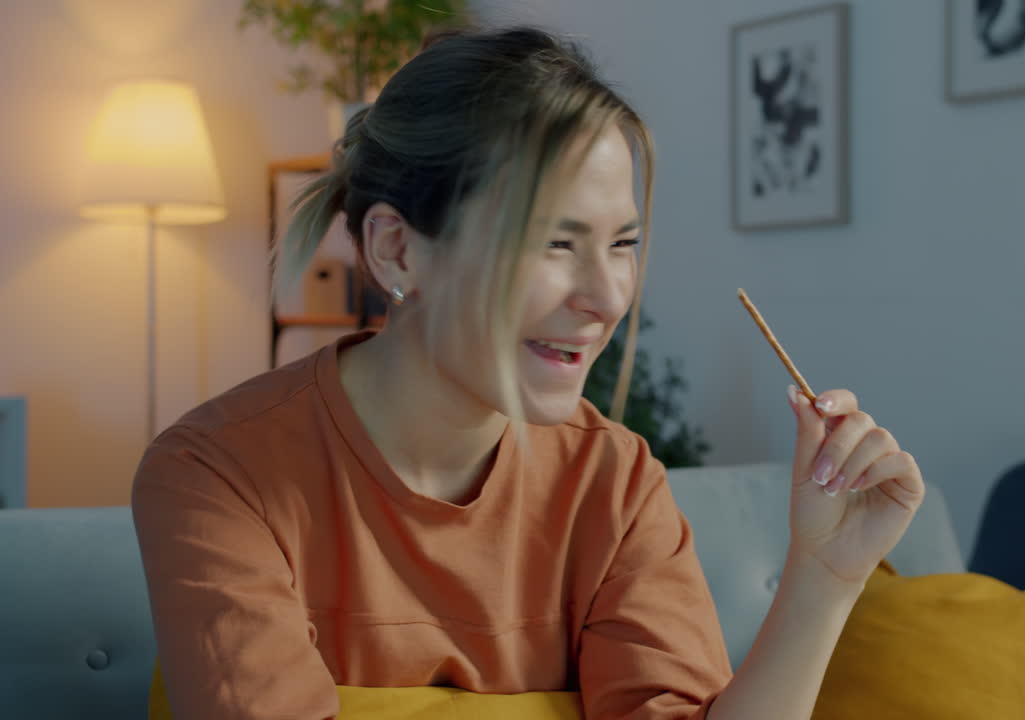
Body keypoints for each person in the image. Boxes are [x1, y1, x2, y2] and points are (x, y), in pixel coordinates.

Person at [131, 25, 925, 720]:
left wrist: (824, 578)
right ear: (397, 249)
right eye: (552, 240)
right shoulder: (215, 475)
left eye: (622, 244)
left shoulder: (614, 483)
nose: (608, 296)